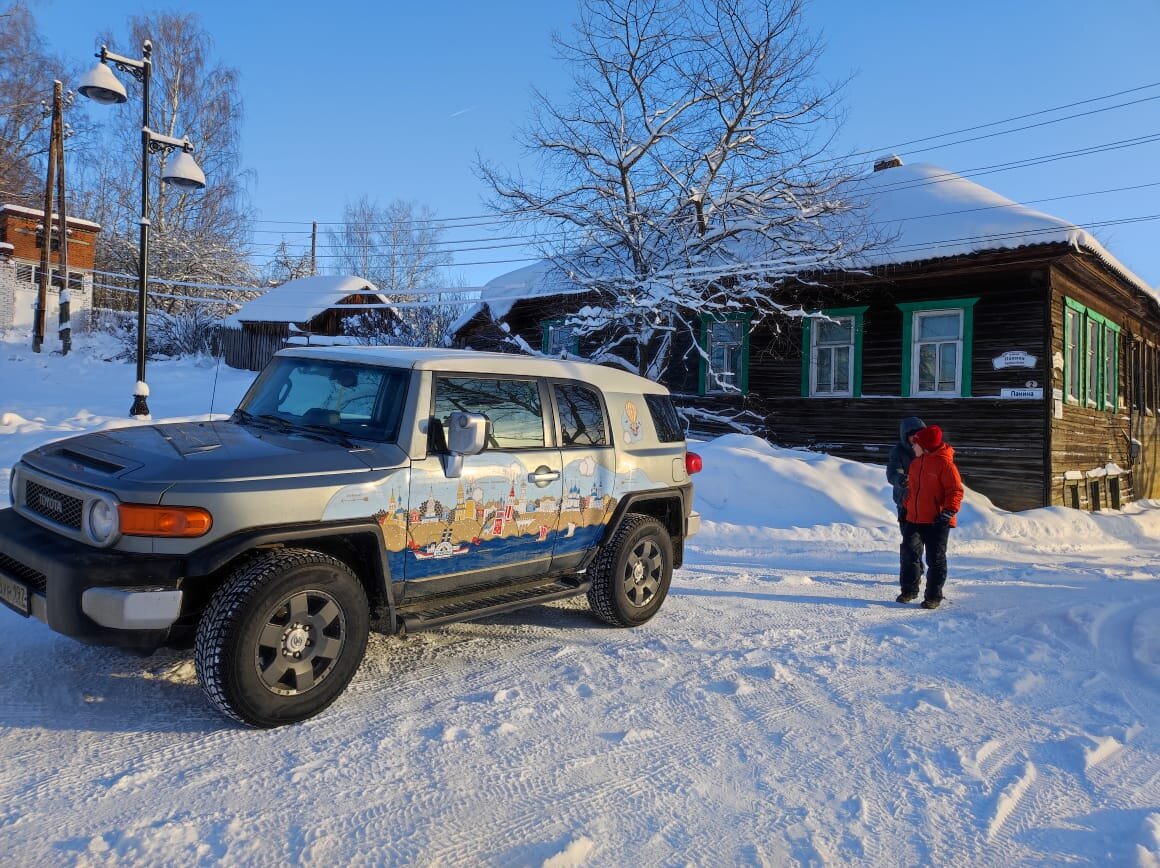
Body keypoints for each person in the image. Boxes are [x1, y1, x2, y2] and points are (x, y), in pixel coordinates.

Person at [899, 424, 964, 609]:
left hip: (937, 520)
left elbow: (955, 491)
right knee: (909, 554)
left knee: (935, 559)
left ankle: (933, 596)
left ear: (926, 446)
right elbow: (912, 490)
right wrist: (906, 507)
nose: (913, 446)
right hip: (914, 519)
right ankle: (909, 590)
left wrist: (949, 511)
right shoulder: (916, 463)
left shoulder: (945, 464)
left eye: (916, 444)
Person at [886, 416, 925, 595]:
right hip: (906, 503)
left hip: (926, 504)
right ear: (905, 436)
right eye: (911, 435)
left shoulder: (928, 450)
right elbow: (892, 472)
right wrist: (901, 480)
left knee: (924, 541)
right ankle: (913, 576)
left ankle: (919, 567)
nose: (915, 438)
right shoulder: (898, 451)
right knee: (910, 542)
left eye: (919, 434)